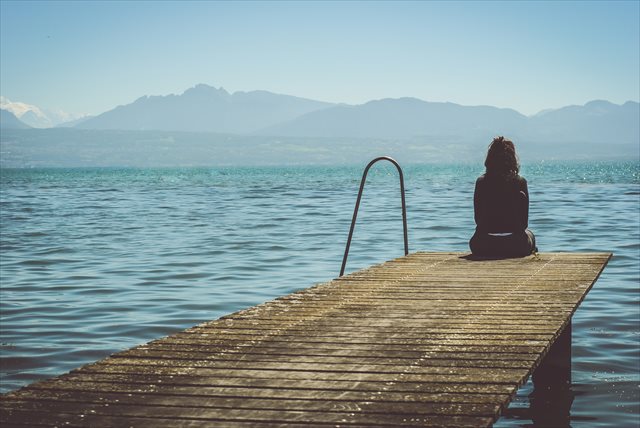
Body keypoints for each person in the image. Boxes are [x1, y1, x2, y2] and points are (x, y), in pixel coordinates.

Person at [469, 136, 537, 257]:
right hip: (516, 245)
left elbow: (477, 220)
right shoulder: (520, 182)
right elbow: (524, 224)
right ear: (512, 159)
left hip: (483, 244)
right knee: (530, 234)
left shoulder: (481, 182)